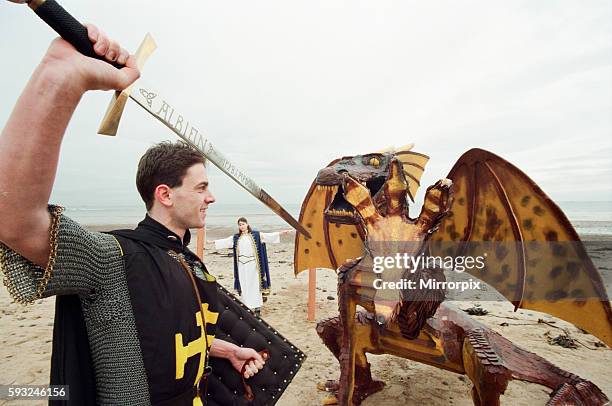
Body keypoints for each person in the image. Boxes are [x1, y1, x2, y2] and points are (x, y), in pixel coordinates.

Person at [0, 25, 266, 405]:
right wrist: (61, 78)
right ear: (165, 195)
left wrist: (224, 351)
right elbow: (14, 220)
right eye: (202, 187)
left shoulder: (182, 257)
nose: (212, 198)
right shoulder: (114, 258)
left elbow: (168, 332)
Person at [209, 218, 291, 316]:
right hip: (241, 266)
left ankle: (257, 308)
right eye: (239, 225)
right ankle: (246, 306)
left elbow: (269, 236)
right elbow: (225, 241)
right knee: (244, 285)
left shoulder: (256, 235)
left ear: (247, 224)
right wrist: (212, 242)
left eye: (243, 224)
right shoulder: (236, 237)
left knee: (254, 285)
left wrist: (281, 233)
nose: (241, 226)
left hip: (253, 265)